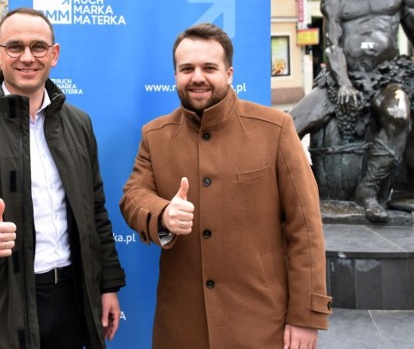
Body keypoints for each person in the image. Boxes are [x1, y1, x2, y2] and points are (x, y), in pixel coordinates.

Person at [0, 7, 126, 349]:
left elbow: (95, 214)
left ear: (54, 55)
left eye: (38, 47)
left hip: (71, 300)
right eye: (15, 47)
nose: (27, 57)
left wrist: (108, 286)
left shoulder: (79, 124)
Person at [119, 23, 332, 348]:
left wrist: (306, 316)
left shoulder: (274, 129)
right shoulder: (155, 135)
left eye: (209, 68)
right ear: (175, 75)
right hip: (181, 326)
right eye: (187, 69)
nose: (197, 77)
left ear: (229, 73)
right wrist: (162, 214)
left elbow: (305, 228)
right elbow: (133, 196)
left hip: (261, 322)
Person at [290, 0, 414, 221]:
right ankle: (296, 190)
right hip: (342, 78)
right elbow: (333, 46)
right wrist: (343, 83)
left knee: (398, 113)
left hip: (388, 76)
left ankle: (368, 191)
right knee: (289, 126)